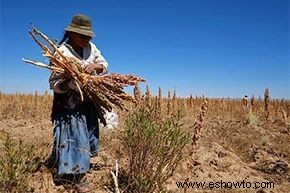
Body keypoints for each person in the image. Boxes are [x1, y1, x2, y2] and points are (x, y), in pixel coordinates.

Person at [48, 13, 108, 190]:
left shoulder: (91, 48)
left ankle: (65, 170)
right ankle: (76, 176)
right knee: (74, 137)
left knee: (84, 136)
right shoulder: (61, 52)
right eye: (82, 35)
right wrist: (69, 83)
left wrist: (95, 67)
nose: (86, 38)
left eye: (88, 35)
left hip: (87, 102)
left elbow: (104, 64)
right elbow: (54, 83)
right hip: (69, 105)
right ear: (72, 33)